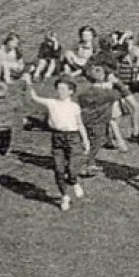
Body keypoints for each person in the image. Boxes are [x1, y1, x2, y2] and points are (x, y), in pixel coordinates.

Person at [23, 74, 90, 210]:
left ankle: (73, 180)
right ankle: (64, 196)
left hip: (73, 137)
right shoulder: (52, 103)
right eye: (59, 89)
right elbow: (34, 98)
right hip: (57, 137)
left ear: (71, 91)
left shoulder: (74, 106)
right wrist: (29, 83)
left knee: (72, 166)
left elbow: (80, 124)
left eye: (64, 89)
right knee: (59, 169)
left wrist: (85, 140)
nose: (60, 92)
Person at [74, 64, 126, 176]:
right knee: (94, 145)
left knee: (85, 142)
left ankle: (89, 163)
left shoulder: (85, 91)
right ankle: (83, 166)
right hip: (98, 123)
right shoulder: (108, 94)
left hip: (85, 120)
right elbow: (123, 92)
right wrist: (117, 83)